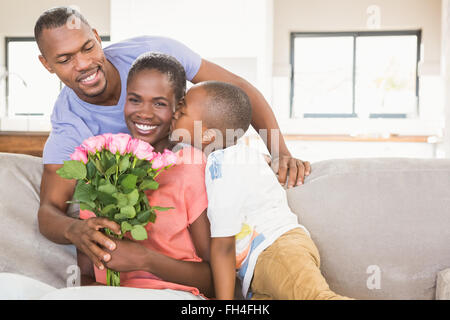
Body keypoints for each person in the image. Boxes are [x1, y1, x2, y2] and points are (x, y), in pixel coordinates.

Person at [35, 6, 311, 273]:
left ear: (96, 35)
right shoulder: (69, 124)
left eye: (87, 47)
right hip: (168, 208)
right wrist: (73, 230)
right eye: (64, 59)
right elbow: (50, 209)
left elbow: (236, 89)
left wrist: (279, 151)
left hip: (199, 175)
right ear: (46, 65)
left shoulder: (152, 53)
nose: (83, 63)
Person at [171, 81, 352, 300]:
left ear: (208, 135)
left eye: (181, 113)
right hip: (257, 272)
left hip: (277, 251)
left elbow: (223, 245)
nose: (173, 115)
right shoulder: (238, 157)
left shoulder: (223, 164)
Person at [77, 52, 213, 297]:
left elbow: (215, 278)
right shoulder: (101, 164)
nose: (144, 113)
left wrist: (146, 259)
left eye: (159, 103)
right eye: (135, 100)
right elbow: (85, 275)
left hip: (174, 294)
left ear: (178, 107)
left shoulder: (191, 167)